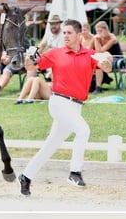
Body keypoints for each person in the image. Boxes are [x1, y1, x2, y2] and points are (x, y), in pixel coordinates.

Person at [18, 19, 113, 196]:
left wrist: (106, 62)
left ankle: (26, 176)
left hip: (76, 106)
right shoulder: (55, 53)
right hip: (59, 102)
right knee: (83, 131)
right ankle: (74, 172)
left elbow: (106, 68)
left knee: (51, 145)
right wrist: (28, 58)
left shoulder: (90, 54)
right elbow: (31, 67)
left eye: (69, 32)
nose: (65, 36)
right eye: (64, 33)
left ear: (79, 35)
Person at [92, 21, 123, 94]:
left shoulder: (112, 38)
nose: (98, 33)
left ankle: (102, 82)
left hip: (118, 61)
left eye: (100, 31)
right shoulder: (99, 38)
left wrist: (96, 40)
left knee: (105, 54)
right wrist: (96, 40)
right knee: (99, 63)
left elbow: (101, 51)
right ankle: (98, 87)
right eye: (97, 31)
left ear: (106, 29)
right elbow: (97, 52)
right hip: (105, 60)